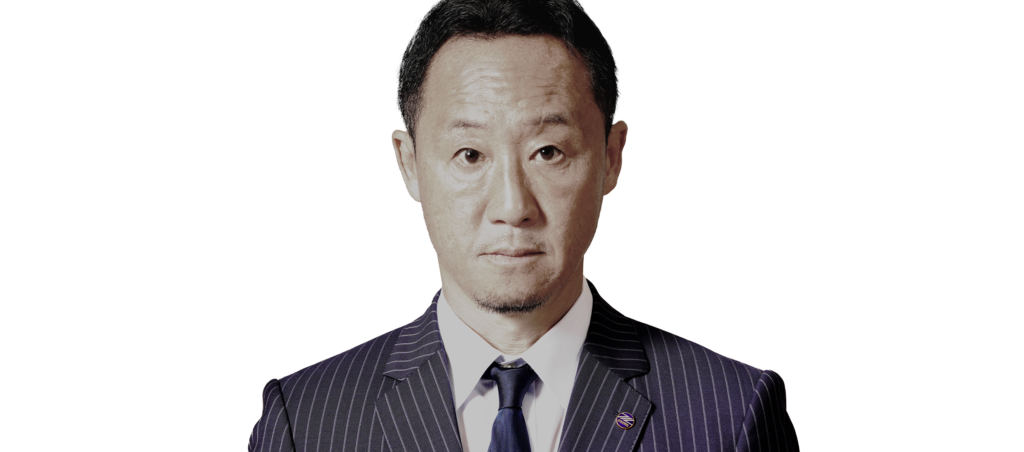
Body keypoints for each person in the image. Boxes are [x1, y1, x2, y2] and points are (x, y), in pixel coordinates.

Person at [247, 0, 799, 451]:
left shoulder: (731, 412)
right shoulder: (307, 420)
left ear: (612, 157)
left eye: (548, 151)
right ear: (408, 164)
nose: (513, 207)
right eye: (470, 154)